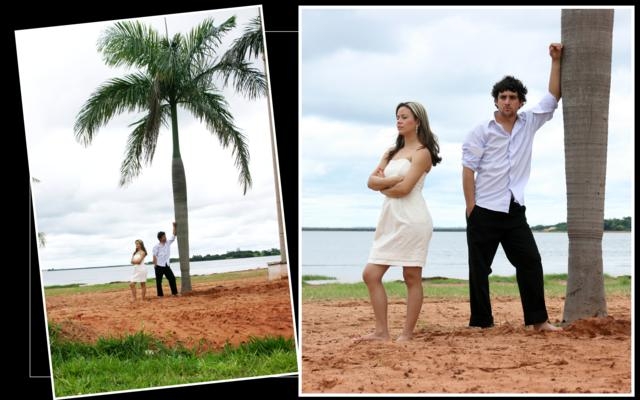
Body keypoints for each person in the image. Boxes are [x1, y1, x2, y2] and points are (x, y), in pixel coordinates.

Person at [462, 43, 564, 332]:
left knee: (531, 261)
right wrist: (471, 208)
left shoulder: (528, 123)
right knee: (479, 270)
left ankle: (538, 321)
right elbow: (468, 170)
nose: (507, 101)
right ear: (495, 101)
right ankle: (481, 322)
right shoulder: (481, 131)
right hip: (484, 209)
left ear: (520, 102)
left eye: (513, 97)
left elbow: (553, 96)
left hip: (514, 209)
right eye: (502, 97)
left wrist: (555, 60)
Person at [361, 101, 442, 342]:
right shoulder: (390, 152)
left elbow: (406, 189)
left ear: (417, 121)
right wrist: (391, 182)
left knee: (411, 276)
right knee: (370, 274)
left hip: (413, 220)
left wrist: (383, 185)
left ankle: (407, 333)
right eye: (397, 116)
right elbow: (370, 181)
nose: (399, 120)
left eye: (404, 116)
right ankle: (381, 332)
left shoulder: (422, 153)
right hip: (389, 219)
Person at [152, 222, 179, 297]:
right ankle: (160, 295)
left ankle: (174, 293)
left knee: (172, 278)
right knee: (158, 281)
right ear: (160, 238)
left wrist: (174, 226)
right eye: (164, 236)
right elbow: (154, 256)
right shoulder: (156, 247)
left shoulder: (167, 243)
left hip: (167, 265)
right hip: (159, 266)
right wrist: (155, 265)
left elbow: (173, 236)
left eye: (165, 236)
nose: (165, 237)